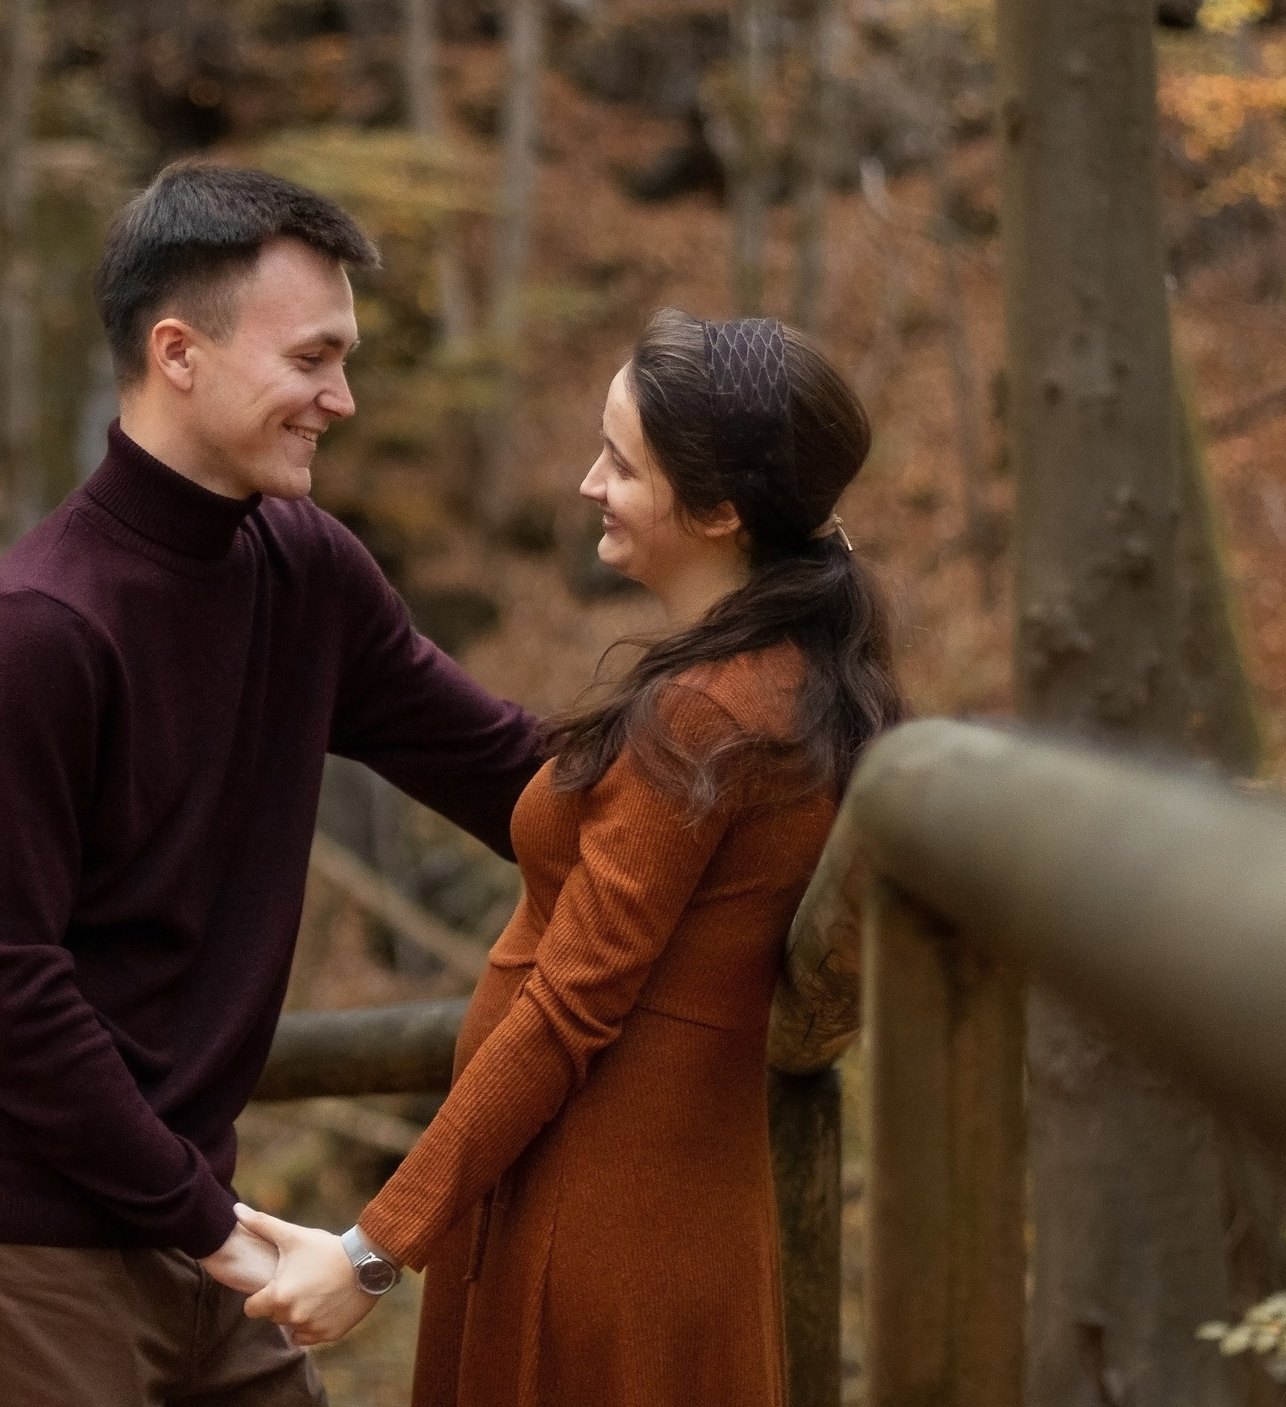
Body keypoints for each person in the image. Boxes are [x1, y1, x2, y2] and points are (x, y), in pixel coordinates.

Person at [0, 162, 548, 1407]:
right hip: (20, 1249)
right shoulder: (39, 629)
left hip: (191, 1229)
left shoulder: (304, 570)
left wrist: (738, 741)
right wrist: (223, 1231)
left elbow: (509, 770)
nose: (340, 398)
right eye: (311, 360)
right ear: (178, 353)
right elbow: (8, 990)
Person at [235, 311, 903, 1407]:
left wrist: (371, 1250)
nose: (590, 482)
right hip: (643, 1201)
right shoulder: (785, 678)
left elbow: (570, 1005)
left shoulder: (705, 714)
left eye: (621, 462)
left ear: (721, 509)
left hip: (594, 1220)